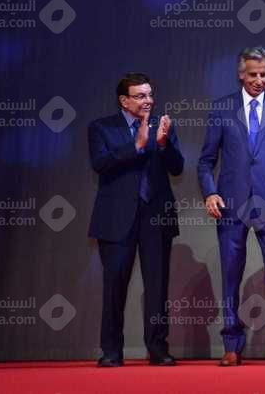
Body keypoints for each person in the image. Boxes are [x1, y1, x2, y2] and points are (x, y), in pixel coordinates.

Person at [197, 46, 265, 366]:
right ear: (240, 75)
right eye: (253, 75)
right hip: (230, 203)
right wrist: (209, 193)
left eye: (264, 75)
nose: (259, 80)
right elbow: (205, 161)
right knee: (231, 274)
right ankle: (231, 345)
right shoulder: (222, 109)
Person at [88, 73, 184, 367]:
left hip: (156, 217)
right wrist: (137, 145)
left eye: (150, 94)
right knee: (114, 287)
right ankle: (111, 351)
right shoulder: (101, 128)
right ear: (124, 100)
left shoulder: (161, 125)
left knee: (157, 287)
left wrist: (164, 144)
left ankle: (158, 348)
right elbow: (100, 163)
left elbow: (177, 168)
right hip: (116, 219)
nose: (148, 101)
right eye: (141, 96)